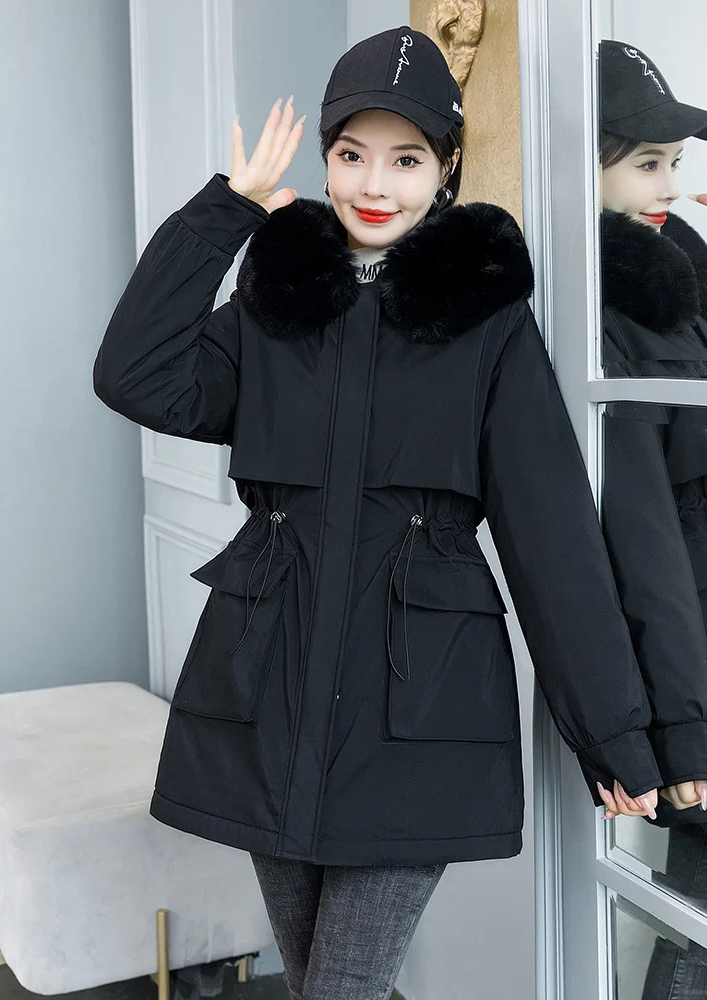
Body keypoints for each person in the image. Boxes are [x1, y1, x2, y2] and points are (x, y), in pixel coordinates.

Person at [93, 26, 661, 1000]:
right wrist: (225, 211)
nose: (374, 184)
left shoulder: (485, 319)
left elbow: (553, 538)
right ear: (326, 158)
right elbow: (135, 374)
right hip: (268, 697)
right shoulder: (273, 302)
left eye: (405, 159)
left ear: (445, 168)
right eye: (352, 154)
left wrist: (613, 733)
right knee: (318, 982)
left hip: (416, 716)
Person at [596, 38, 707, 997]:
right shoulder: (608, 313)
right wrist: (685, 723)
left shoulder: (680, 281)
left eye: (674, 161)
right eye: (645, 162)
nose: (667, 185)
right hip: (694, 652)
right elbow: (643, 535)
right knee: (696, 924)